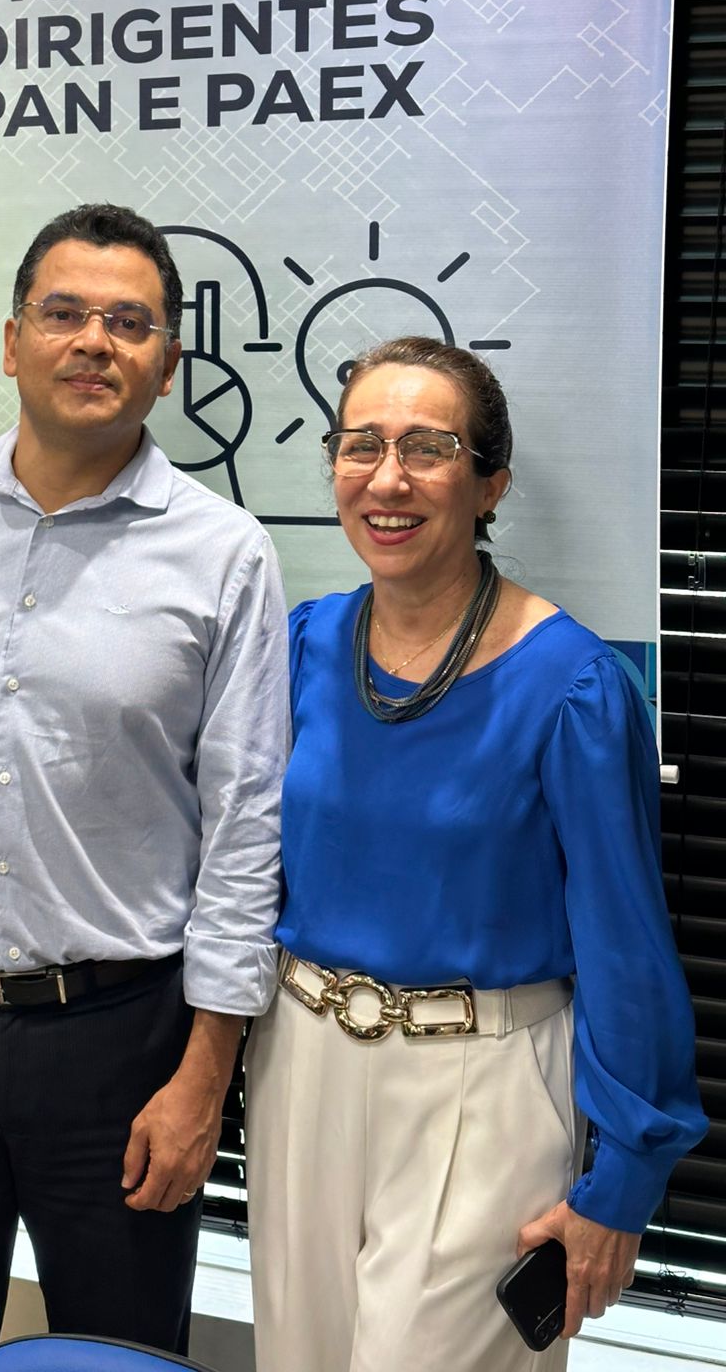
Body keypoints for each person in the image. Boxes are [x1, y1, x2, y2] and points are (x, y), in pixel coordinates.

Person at [0, 202, 288, 1372]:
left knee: (114, 1355)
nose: (94, 340)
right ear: (11, 341)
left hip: (121, 1044)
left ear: (168, 364)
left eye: (129, 322)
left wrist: (205, 1079)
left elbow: (247, 829)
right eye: (65, 313)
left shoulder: (225, 552)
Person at [245, 337, 707, 1372]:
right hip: (299, 1067)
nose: (388, 478)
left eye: (428, 448)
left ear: (490, 483)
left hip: (482, 1086)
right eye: (361, 445)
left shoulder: (574, 687)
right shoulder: (303, 646)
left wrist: (622, 1184)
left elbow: (626, 946)